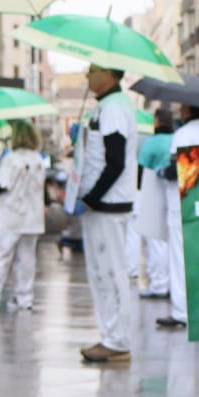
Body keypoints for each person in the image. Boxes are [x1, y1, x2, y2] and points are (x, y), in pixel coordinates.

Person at [76, 61, 139, 363]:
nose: (87, 76)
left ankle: (117, 340)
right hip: (100, 204)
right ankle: (109, 335)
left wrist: (92, 197)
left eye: (93, 70)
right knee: (100, 272)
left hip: (108, 205)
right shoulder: (104, 106)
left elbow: (115, 161)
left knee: (111, 272)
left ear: (111, 73)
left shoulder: (114, 107)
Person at [156, 103, 199, 329]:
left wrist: (163, 172)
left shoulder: (183, 134)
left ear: (188, 109)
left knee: (180, 257)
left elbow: (178, 170)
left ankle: (181, 311)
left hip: (182, 203)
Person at [0, 119, 46, 312]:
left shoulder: (11, 159)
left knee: (0, 257)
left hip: (8, 216)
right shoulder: (39, 159)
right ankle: (24, 298)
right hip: (32, 219)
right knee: (27, 259)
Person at [133, 109, 173, 300]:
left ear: (156, 122)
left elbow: (141, 172)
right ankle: (174, 284)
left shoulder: (150, 144)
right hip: (178, 195)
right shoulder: (177, 140)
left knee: (156, 242)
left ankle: (158, 285)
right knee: (174, 243)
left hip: (153, 194)